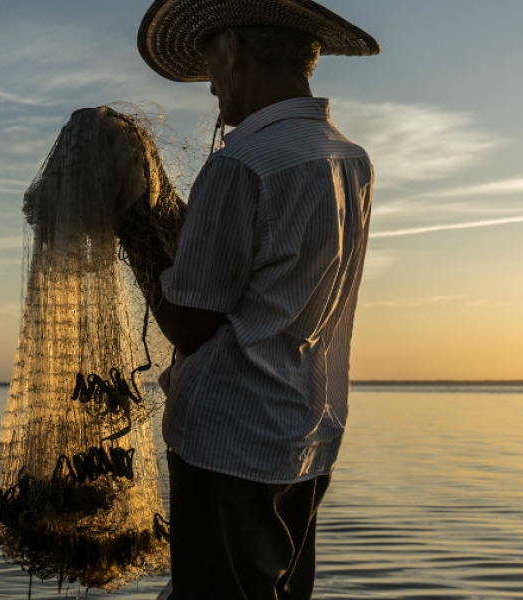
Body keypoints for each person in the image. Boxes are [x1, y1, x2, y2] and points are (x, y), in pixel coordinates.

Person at [117, 1, 380, 598]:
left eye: (210, 60)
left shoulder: (241, 165)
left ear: (233, 48)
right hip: (308, 433)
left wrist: (132, 225)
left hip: (229, 441)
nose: (210, 81)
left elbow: (189, 323)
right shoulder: (349, 159)